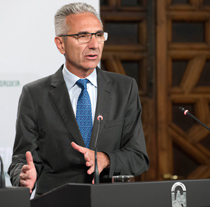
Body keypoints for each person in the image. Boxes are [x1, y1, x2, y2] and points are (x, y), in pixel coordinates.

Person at [8, 2, 149, 197]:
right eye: (83, 36)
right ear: (60, 44)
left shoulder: (124, 89)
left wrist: (106, 159)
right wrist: (23, 175)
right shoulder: (35, 94)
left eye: (99, 35)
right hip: (55, 201)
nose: (94, 44)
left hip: (108, 201)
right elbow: (21, 159)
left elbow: (138, 157)